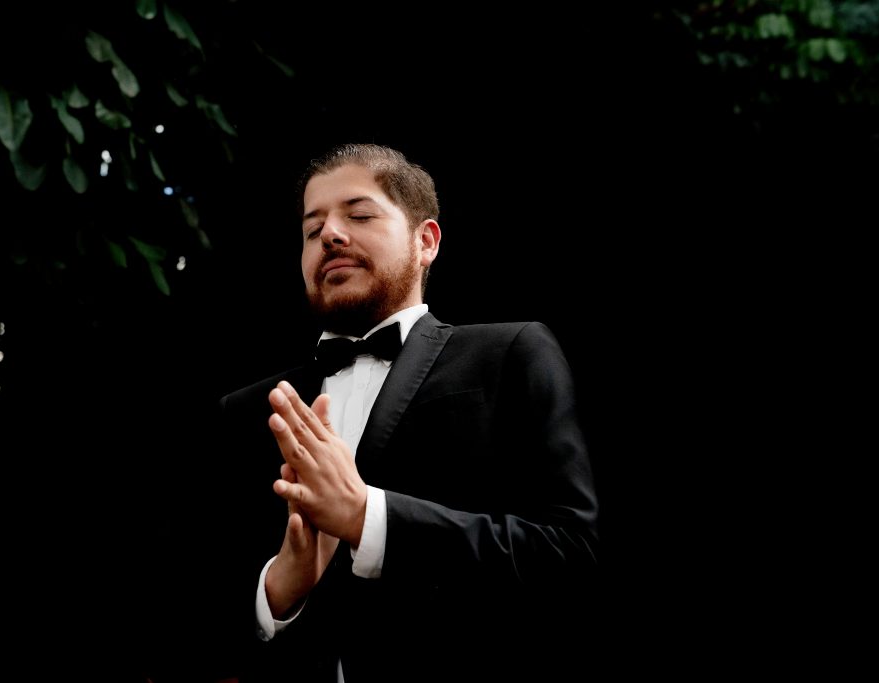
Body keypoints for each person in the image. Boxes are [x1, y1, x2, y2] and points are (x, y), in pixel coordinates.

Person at [217, 143, 600, 683]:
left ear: (426, 241)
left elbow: (571, 553)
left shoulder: (510, 354)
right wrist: (277, 591)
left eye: (359, 215)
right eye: (312, 229)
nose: (330, 235)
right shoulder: (249, 411)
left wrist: (367, 519)